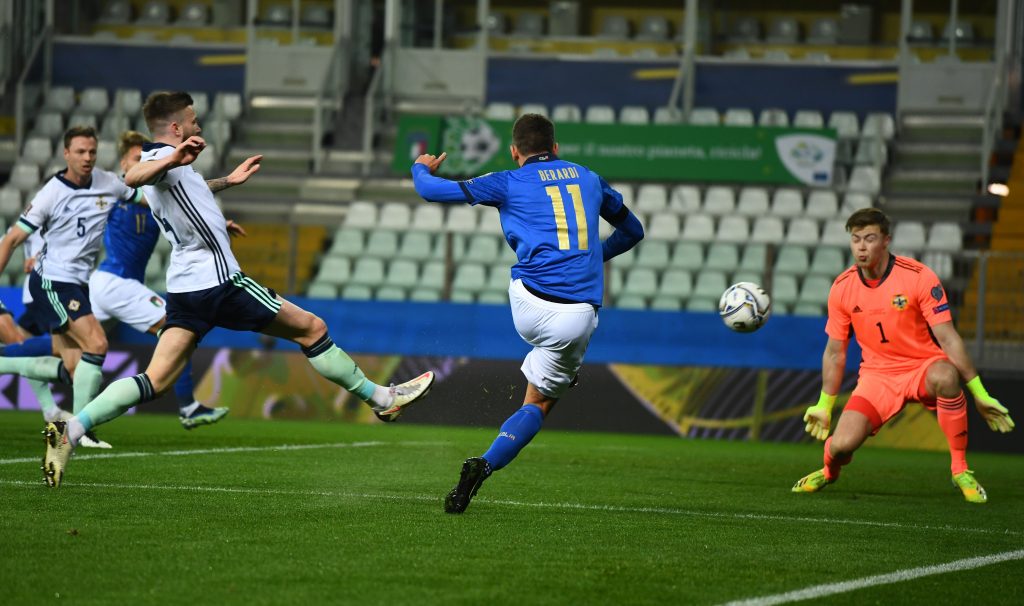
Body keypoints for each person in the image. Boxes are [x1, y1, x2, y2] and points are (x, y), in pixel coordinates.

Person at [42, 91, 435, 487]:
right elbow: (134, 177)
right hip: (221, 283)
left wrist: (228, 181)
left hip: (186, 289)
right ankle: (383, 400)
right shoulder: (156, 158)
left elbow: (179, 190)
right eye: (192, 119)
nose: (198, 124)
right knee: (312, 329)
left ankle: (70, 431)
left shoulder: (173, 165)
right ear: (176, 127)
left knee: (155, 380)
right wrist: (176, 158)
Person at [410, 113, 645, 514]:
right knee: (537, 404)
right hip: (573, 317)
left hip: (525, 301)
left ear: (515, 151)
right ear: (556, 148)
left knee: (543, 345)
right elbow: (633, 231)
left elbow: (431, 191)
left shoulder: (506, 179)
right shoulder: (588, 178)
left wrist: (420, 167)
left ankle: (553, 365)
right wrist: (589, 258)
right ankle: (484, 464)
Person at [792, 208, 1014, 503]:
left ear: (886, 240)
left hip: (921, 367)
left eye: (869, 238)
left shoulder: (918, 277)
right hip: (877, 378)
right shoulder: (842, 288)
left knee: (946, 376)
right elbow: (835, 353)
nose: (861, 246)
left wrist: (979, 392)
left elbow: (947, 337)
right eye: (856, 239)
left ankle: (960, 469)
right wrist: (824, 404)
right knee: (842, 445)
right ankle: (829, 472)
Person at [0, 125, 143, 448]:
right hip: (52, 281)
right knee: (97, 343)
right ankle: (78, 432)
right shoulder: (52, 192)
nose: (87, 157)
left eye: (92, 151)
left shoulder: (108, 183)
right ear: (66, 154)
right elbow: (11, 239)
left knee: (70, 365)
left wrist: (202, 206)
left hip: (77, 284)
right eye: (80, 151)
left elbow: (148, 200)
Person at [89, 130, 229, 429]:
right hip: (115, 282)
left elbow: (188, 194)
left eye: (145, 157)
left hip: (110, 285)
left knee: (66, 351)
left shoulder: (150, 194)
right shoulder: (116, 190)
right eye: (136, 159)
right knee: (175, 329)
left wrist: (219, 221)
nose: (143, 162)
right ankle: (189, 407)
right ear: (125, 163)